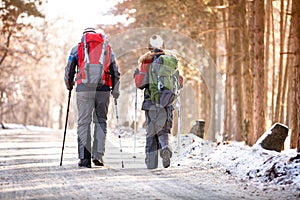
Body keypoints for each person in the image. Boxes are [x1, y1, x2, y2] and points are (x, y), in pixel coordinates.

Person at [64, 27, 120, 168]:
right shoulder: (107, 49)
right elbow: (115, 71)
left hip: (83, 87)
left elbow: (69, 70)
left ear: (83, 37)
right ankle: (98, 155)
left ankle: (84, 159)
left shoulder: (77, 49)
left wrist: (69, 85)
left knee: (84, 122)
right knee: (101, 121)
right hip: (103, 88)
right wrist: (116, 90)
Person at [134, 35, 183, 169]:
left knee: (151, 132)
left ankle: (151, 162)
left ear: (149, 47)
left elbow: (140, 84)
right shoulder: (170, 61)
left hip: (151, 103)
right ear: (164, 46)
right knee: (164, 129)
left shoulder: (146, 62)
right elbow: (180, 82)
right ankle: (165, 147)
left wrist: (137, 74)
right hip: (167, 102)